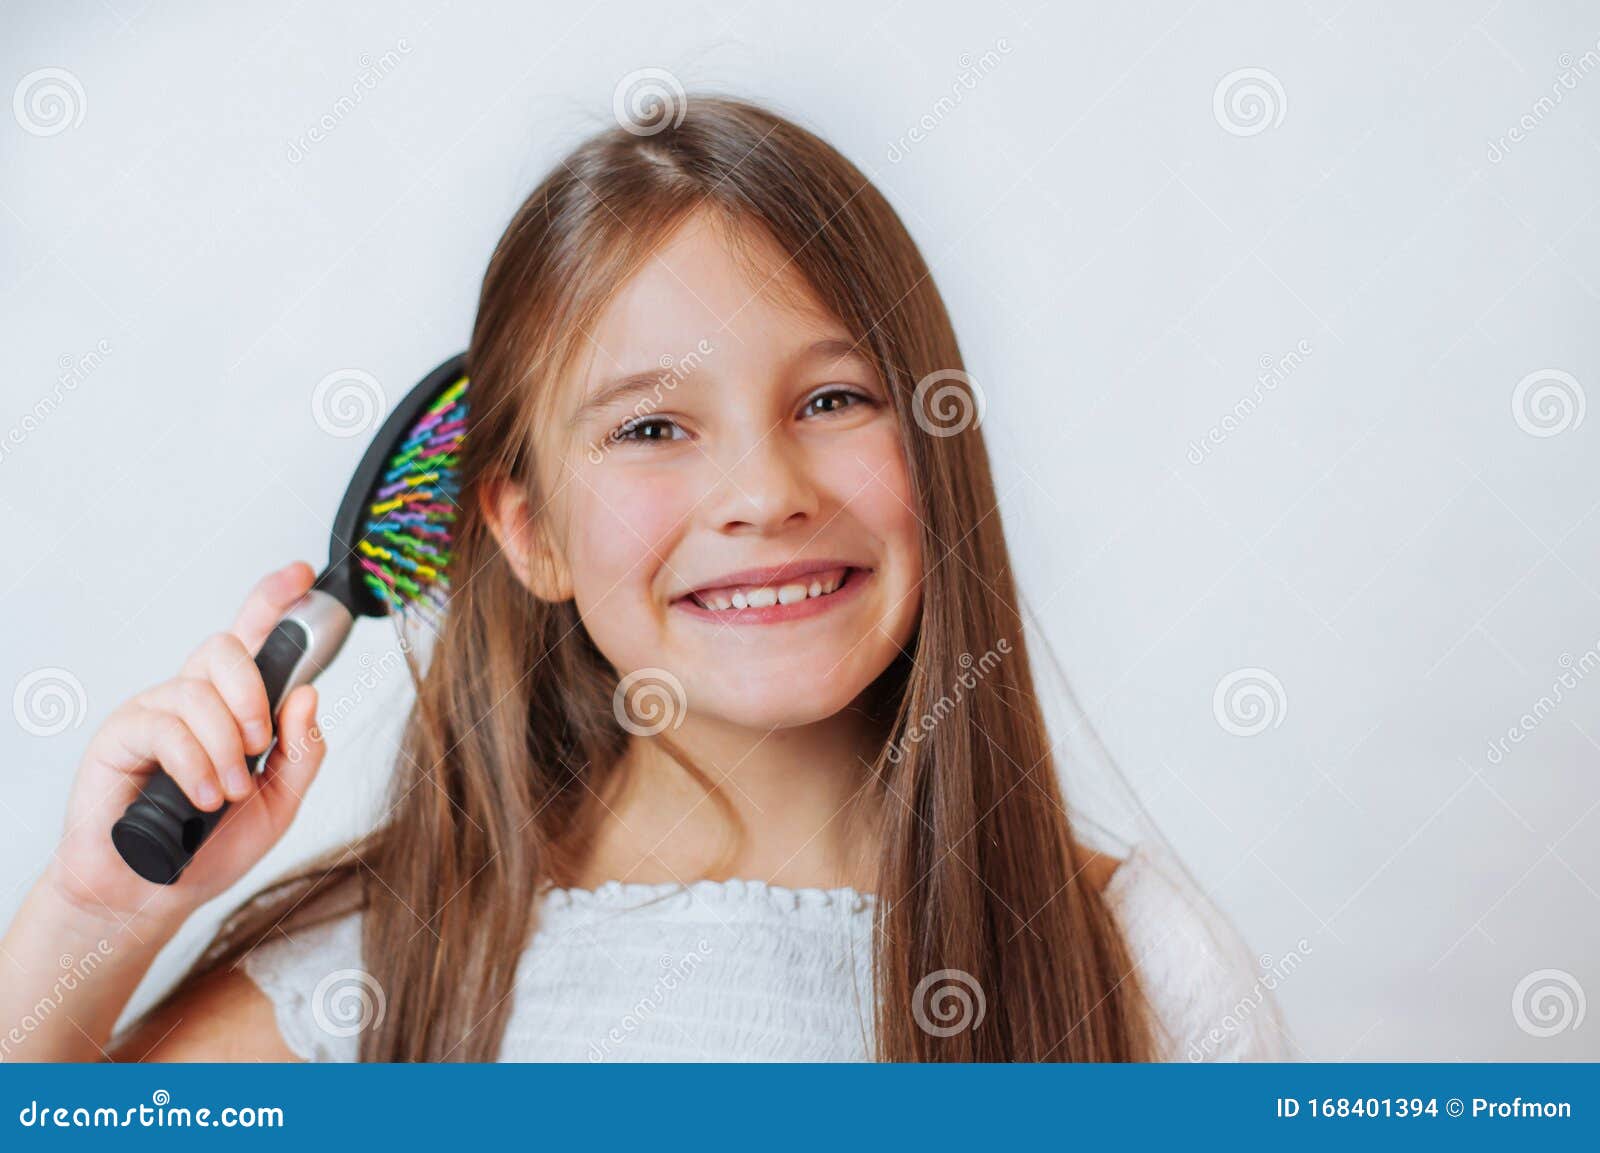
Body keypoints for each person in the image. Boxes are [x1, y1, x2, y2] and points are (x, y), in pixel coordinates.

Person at [1, 95, 1286, 1063]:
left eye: (834, 397)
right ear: (525, 529)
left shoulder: (1133, 963)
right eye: (652, 428)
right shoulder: (371, 971)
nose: (766, 492)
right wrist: (93, 912)